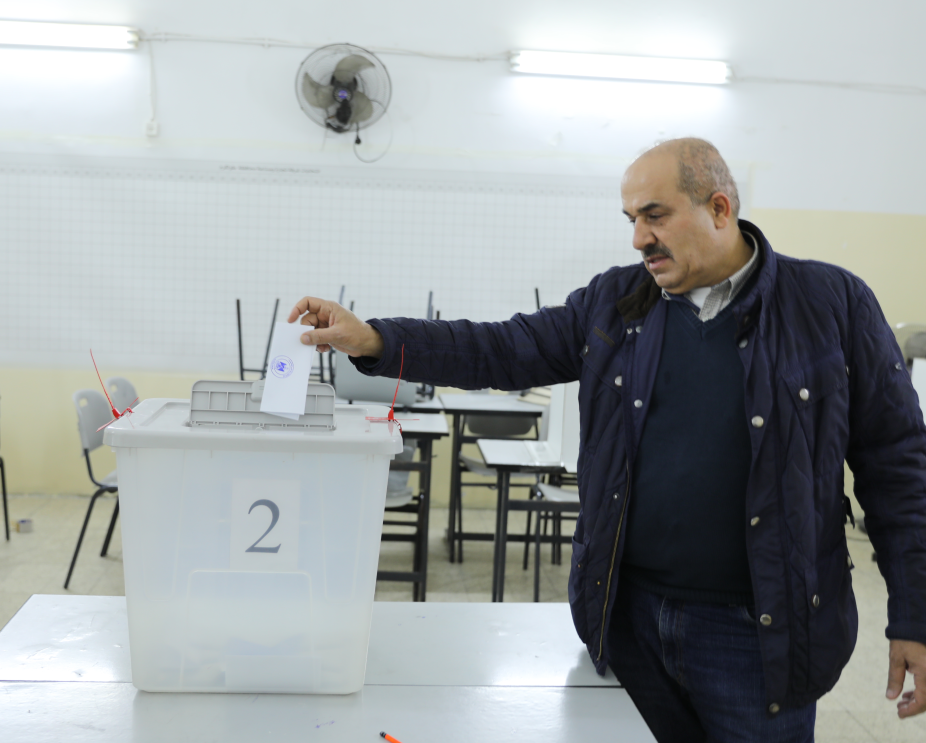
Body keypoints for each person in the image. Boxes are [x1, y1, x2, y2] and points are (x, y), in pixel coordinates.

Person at [287, 138, 926, 742]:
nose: (639, 237)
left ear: (719, 209)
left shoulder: (831, 305)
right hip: (628, 623)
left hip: (761, 638)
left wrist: (915, 614)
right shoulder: (617, 303)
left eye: (655, 216)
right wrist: (377, 339)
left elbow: (899, 466)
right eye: (631, 219)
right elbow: (500, 349)